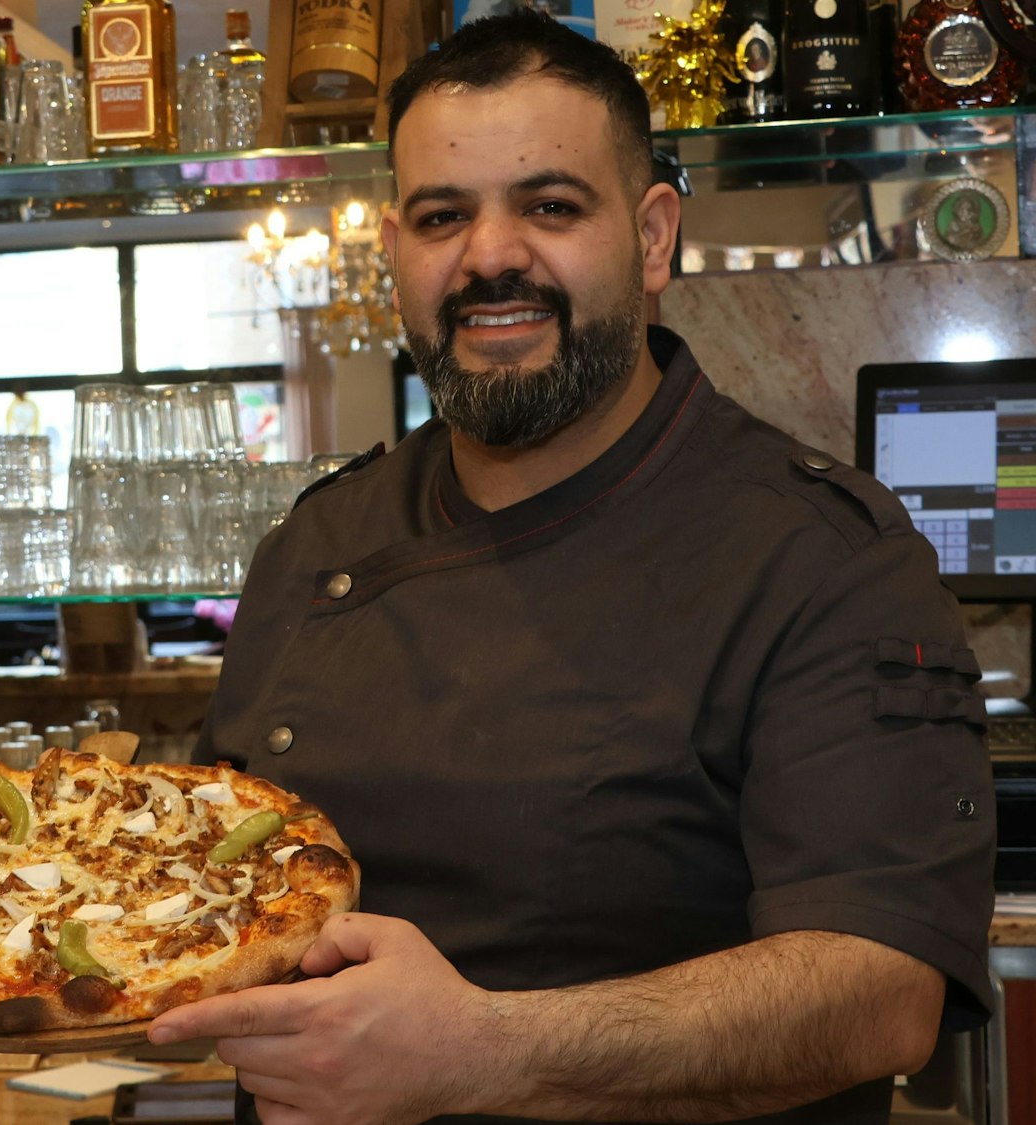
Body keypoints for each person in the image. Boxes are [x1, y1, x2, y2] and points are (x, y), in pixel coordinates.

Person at [149, 11, 995, 1125]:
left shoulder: (820, 558)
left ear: (651, 239)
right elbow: (206, 890)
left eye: (549, 206)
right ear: (394, 248)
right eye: (441, 216)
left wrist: (478, 1051)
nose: (489, 255)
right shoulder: (315, 544)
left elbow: (877, 993)